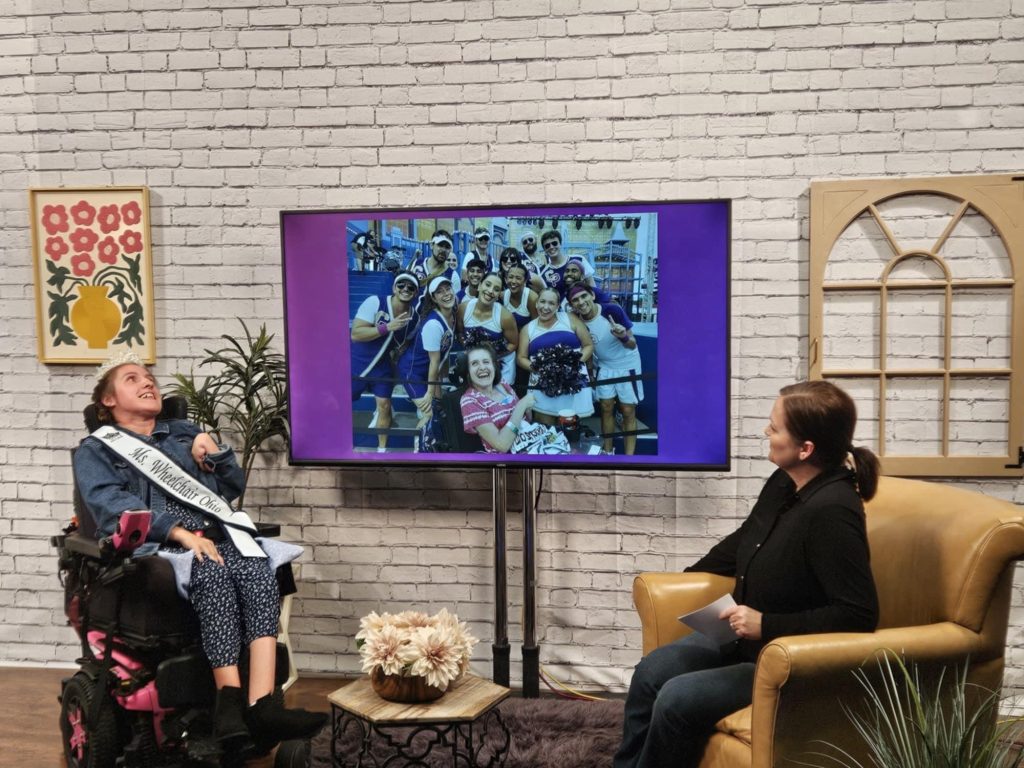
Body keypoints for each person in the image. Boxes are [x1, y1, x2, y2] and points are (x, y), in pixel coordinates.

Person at [613, 380, 880, 768]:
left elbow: (859, 614)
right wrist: (688, 577)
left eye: (775, 428)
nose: (766, 433)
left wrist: (766, 623)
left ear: (806, 449)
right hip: (739, 639)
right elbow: (745, 540)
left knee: (676, 698)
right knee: (651, 672)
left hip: (781, 659)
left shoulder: (833, 512)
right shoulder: (784, 481)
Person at [73, 353, 327, 754]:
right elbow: (109, 506)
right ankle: (229, 703)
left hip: (216, 532)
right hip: (161, 546)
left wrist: (215, 450)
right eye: (132, 378)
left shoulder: (183, 433)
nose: (148, 383)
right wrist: (177, 531)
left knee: (259, 570)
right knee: (213, 571)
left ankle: (262, 707)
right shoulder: (98, 450)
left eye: (150, 377)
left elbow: (228, 488)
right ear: (108, 400)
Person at [350, 270, 421, 451]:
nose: (406, 289)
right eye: (401, 285)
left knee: (385, 405)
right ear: (394, 287)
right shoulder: (375, 301)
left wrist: (398, 357)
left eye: (411, 287)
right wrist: (386, 327)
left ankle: (382, 449)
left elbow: (406, 343)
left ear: (415, 293)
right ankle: (339, 440)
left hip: (382, 367)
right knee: (345, 402)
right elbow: (356, 334)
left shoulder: (414, 318)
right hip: (357, 362)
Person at [569, 284, 643, 455]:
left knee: (627, 410)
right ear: (572, 305)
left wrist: (623, 336)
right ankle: (608, 452)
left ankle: (629, 458)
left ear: (592, 296)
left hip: (627, 364)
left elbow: (632, 344)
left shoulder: (612, 311)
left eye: (583, 296)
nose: (581, 302)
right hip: (603, 365)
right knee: (606, 407)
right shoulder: (576, 320)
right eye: (575, 300)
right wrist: (590, 373)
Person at [516, 287, 594, 426]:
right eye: (542, 302)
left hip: (572, 382)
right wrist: (542, 370)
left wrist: (571, 365)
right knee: (546, 429)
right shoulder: (528, 328)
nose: (546, 307)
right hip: (543, 384)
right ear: (536, 303)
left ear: (558, 306)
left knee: (571, 428)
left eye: (551, 303)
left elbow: (588, 345)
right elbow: (521, 358)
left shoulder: (570, 319)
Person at [396, 276, 458, 428]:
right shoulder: (433, 324)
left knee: (439, 408)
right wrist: (429, 393)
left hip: (428, 372)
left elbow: (444, 353)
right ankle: (419, 448)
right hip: (412, 373)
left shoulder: (452, 315)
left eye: (448, 289)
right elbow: (434, 361)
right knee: (429, 414)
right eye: (440, 292)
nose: (446, 294)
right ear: (434, 299)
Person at [459, 343, 536, 453]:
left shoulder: (502, 384)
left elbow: (525, 420)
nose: (482, 367)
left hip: (532, 444)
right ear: (468, 372)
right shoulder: (469, 401)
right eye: (474, 363)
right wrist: (521, 406)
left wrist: (527, 409)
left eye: (486, 362)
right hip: (508, 460)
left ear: (494, 366)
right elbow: (502, 445)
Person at [458, 272, 519, 386]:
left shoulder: (505, 316)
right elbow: (460, 332)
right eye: (488, 285)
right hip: (476, 362)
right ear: (480, 285)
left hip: (502, 364)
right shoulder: (464, 308)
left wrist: (490, 356)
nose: (490, 291)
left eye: (496, 289)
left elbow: (513, 344)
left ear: (499, 294)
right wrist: (473, 352)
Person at [411, 229, 461, 294]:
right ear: (431, 245)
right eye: (440, 245)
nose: (443, 250)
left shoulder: (453, 276)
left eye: (447, 247)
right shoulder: (415, 264)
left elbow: (454, 301)